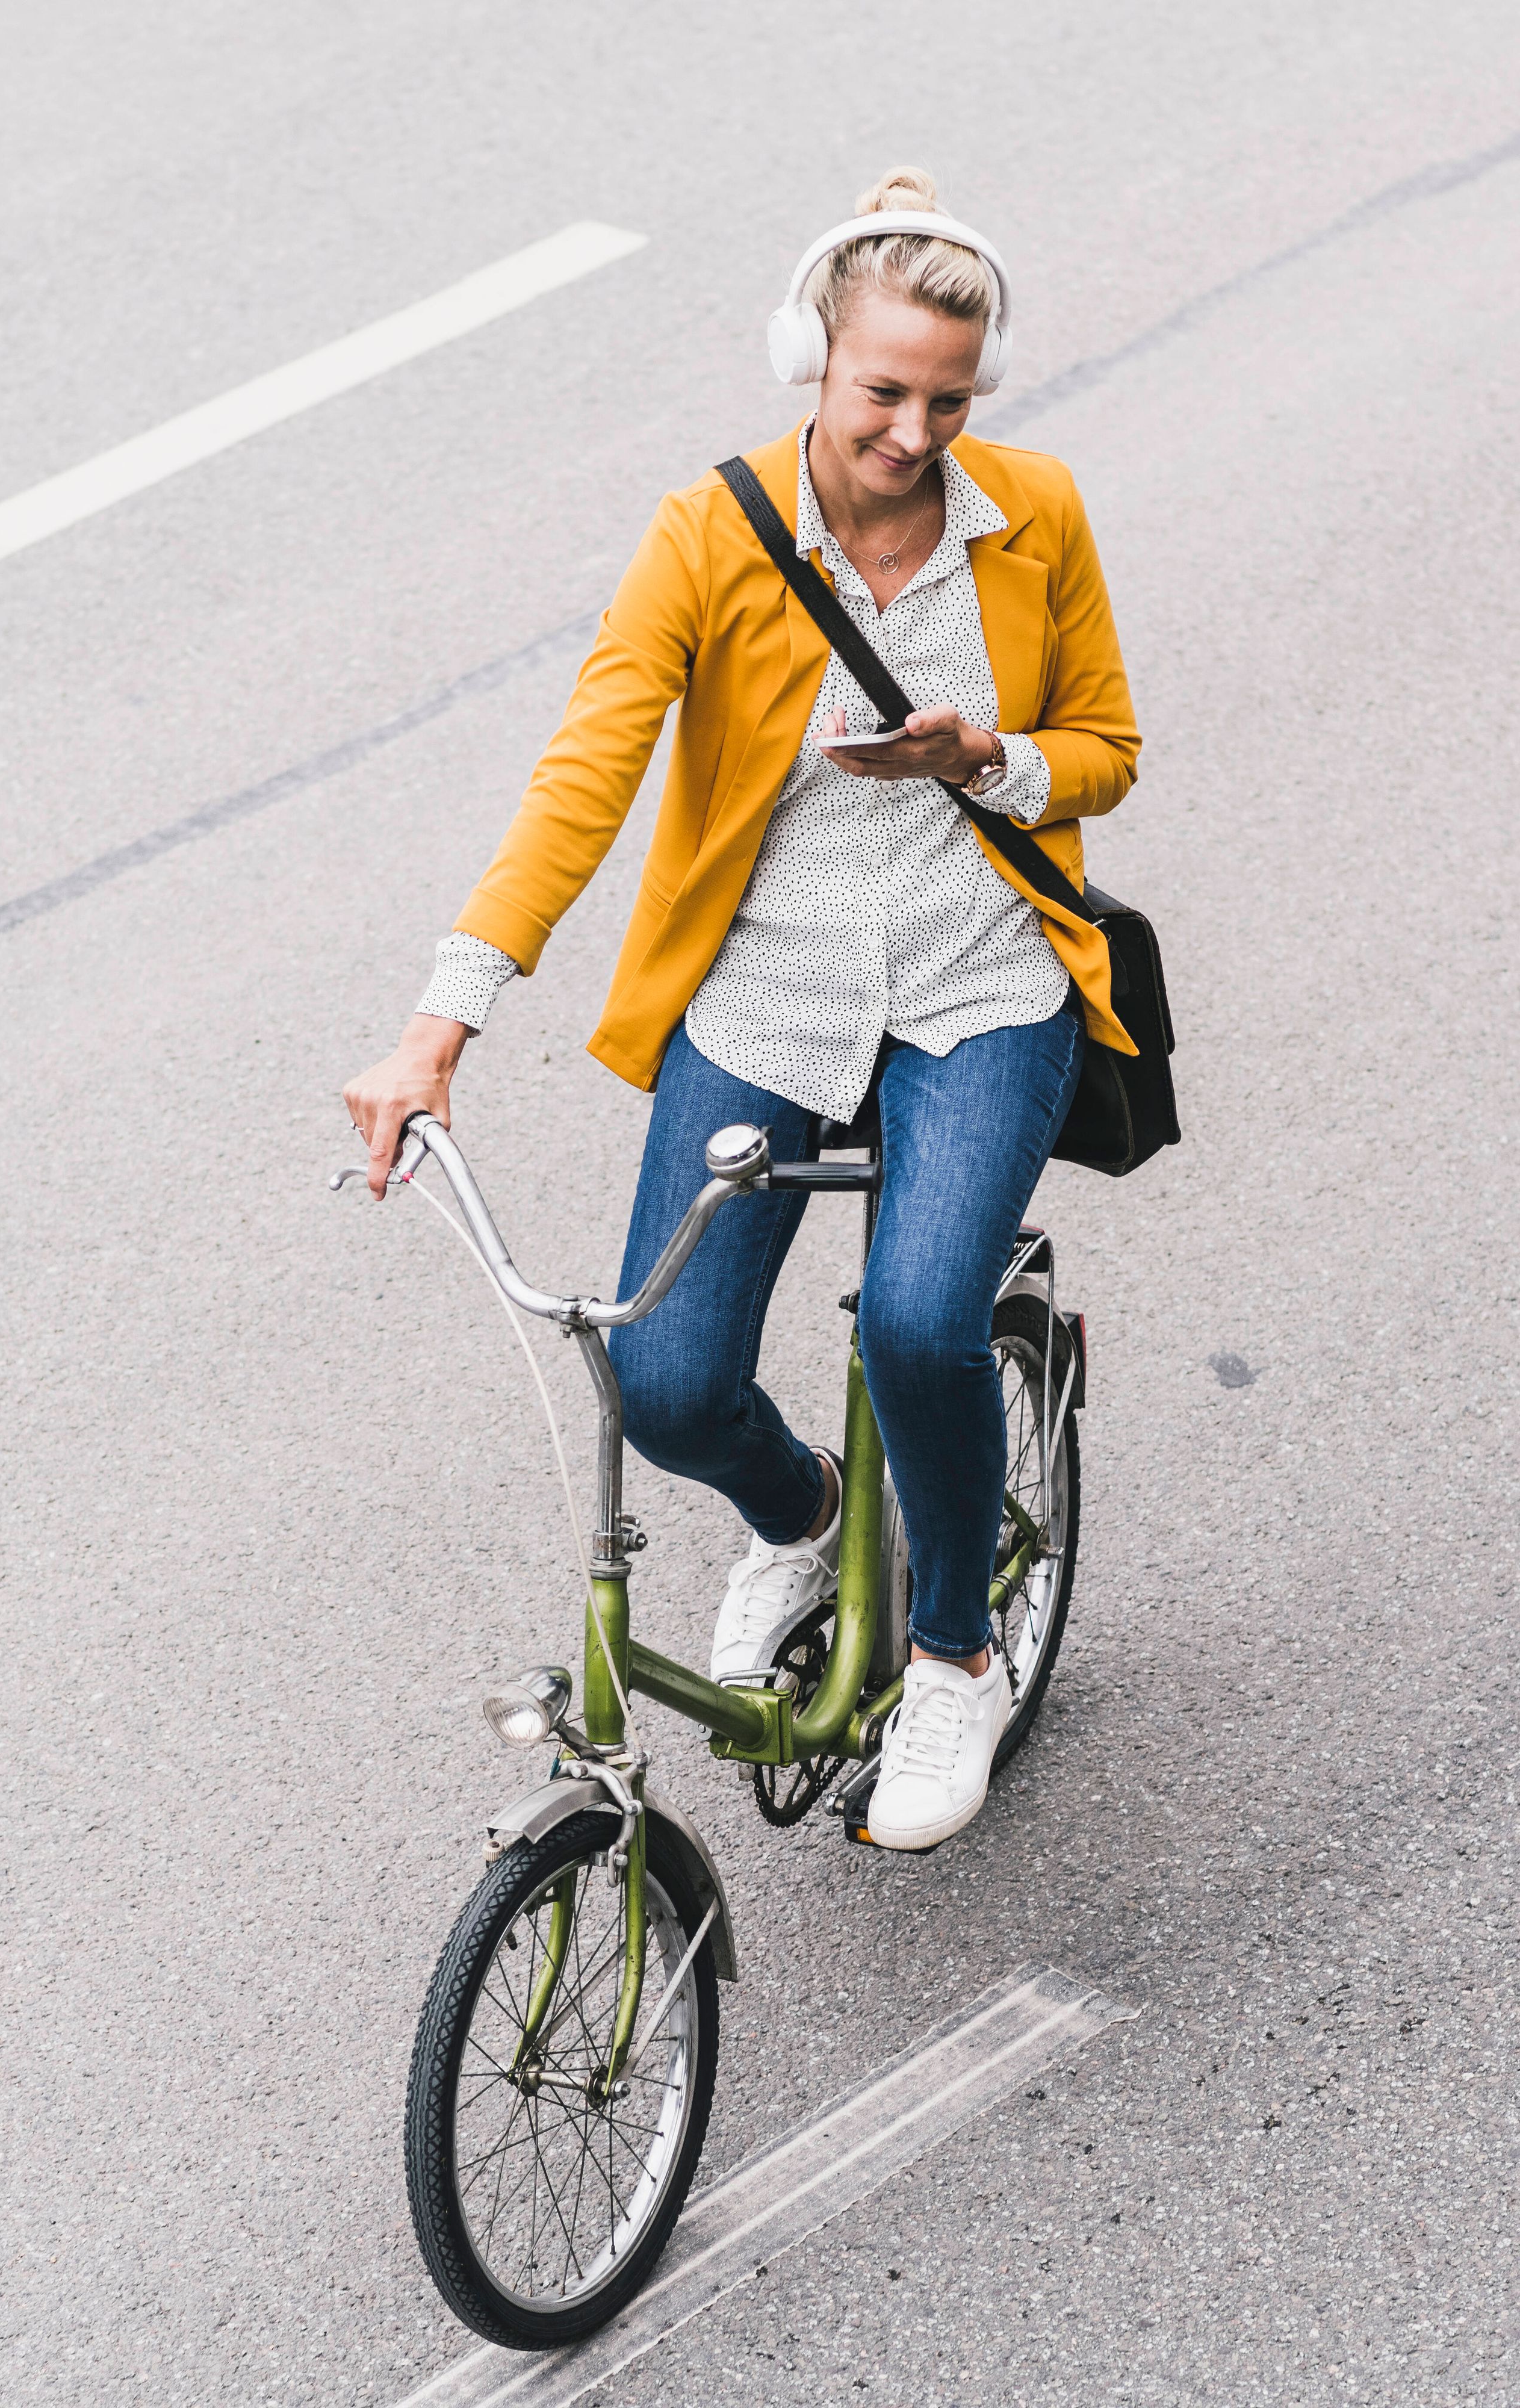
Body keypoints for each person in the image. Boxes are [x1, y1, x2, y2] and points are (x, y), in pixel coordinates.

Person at [342, 169, 1141, 1851]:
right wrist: (441, 1021)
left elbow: (1110, 756)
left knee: (920, 1323)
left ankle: (953, 1654)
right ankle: (801, 1513)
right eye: (882, 392)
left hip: (981, 985)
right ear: (813, 359)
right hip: (766, 992)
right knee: (675, 1385)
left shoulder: (1039, 517)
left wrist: (987, 756)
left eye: (949, 399)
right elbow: (587, 776)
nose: (914, 432)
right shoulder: (711, 534)